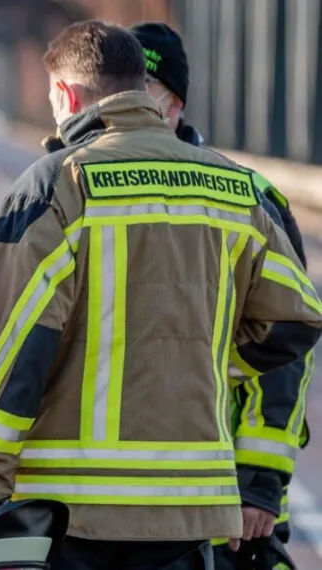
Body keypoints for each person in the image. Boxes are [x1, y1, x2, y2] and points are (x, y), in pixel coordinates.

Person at [0, 20, 322, 570]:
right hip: (192, 510)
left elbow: (15, 343)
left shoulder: (60, 183)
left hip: (72, 509)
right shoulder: (234, 189)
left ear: (66, 95)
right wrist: (209, 357)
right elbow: (297, 318)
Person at [131, 22, 313, 570]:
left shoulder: (247, 197)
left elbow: (285, 346)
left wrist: (258, 483)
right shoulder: (77, 188)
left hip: (222, 500)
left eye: (145, 98)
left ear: (175, 105)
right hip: (111, 503)